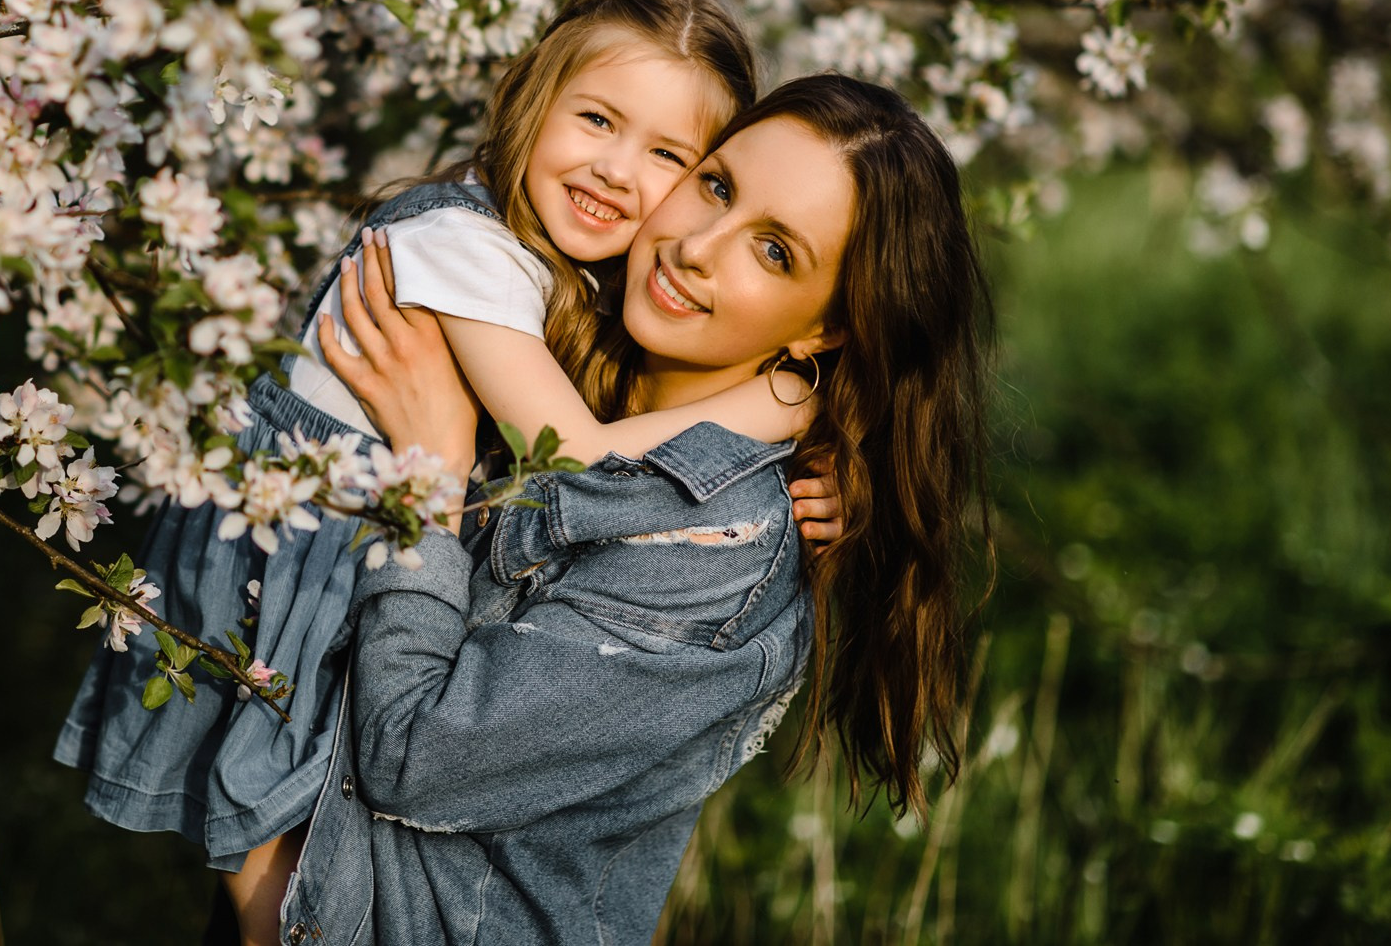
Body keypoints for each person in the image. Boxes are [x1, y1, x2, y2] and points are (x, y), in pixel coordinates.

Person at [54, 0, 837, 942]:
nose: (617, 170)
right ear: (527, 98)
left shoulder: (545, 263)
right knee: (269, 810)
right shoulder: (455, 250)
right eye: (595, 120)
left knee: (279, 799)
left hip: (342, 547)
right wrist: (779, 402)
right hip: (300, 549)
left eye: (667, 154)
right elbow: (576, 454)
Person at [280, 72, 992, 945]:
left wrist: (429, 483)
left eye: (775, 252)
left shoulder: (718, 551)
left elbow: (413, 757)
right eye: (717, 185)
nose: (698, 246)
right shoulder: (550, 334)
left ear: (826, 330)